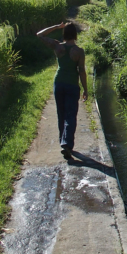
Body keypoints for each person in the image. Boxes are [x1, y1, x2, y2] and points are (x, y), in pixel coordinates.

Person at [37, 21, 88, 160]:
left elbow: (39, 35)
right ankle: (67, 145)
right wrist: (85, 89)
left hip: (59, 83)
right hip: (72, 85)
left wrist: (56, 27)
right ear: (75, 35)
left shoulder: (57, 46)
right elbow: (82, 71)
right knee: (70, 116)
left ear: (64, 34)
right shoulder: (79, 51)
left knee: (61, 114)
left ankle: (63, 143)